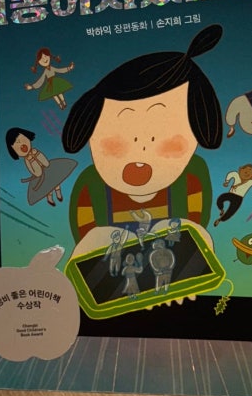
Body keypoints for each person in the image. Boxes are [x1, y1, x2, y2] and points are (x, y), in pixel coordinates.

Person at [62, 25, 223, 241]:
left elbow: (193, 232)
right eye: (121, 134)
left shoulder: (193, 176)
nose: (142, 148)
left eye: (161, 132)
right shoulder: (90, 186)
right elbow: (87, 243)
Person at [5, 127, 77, 206]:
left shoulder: (35, 151)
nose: (22, 145)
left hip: (48, 169)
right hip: (40, 176)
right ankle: (50, 198)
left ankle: (58, 194)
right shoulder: (27, 160)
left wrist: (37, 154)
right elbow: (37, 173)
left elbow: (46, 163)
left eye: (22, 140)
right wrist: (32, 160)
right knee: (48, 188)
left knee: (56, 181)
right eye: (17, 144)